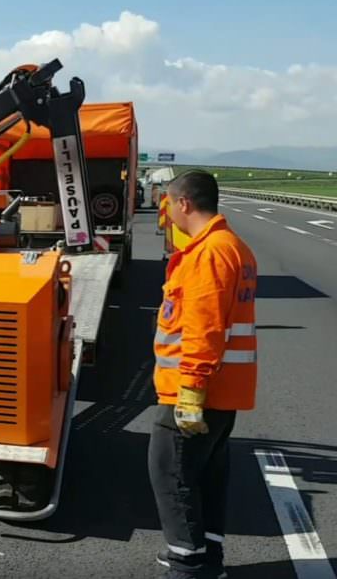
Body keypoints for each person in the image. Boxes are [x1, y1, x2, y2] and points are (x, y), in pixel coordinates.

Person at [149, 170, 257, 579]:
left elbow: (204, 327)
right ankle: (208, 560)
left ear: (185, 204)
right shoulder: (235, 247)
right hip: (224, 391)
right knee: (207, 478)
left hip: (194, 392)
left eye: (170, 206)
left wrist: (190, 391)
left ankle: (187, 567)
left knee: (170, 474)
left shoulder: (209, 253)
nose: (169, 216)